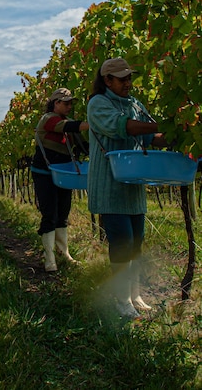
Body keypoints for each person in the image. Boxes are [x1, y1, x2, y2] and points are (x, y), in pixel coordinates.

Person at [87, 57, 167, 319]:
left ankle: (135, 294)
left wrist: (178, 132)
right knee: (121, 242)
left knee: (136, 243)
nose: (128, 83)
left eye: (129, 77)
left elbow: (147, 136)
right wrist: (160, 126)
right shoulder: (98, 104)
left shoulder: (134, 104)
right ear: (107, 80)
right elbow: (122, 128)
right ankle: (122, 301)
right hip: (110, 185)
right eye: (122, 79)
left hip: (133, 185)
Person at [31, 87, 89, 272]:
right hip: (44, 173)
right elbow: (66, 127)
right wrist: (92, 123)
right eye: (66, 103)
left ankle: (64, 253)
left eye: (71, 103)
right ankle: (49, 258)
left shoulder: (68, 122)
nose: (70, 106)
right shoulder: (48, 119)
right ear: (56, 103)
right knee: (50, 213)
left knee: (63, 213)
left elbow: (81, 144)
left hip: (64, 172)